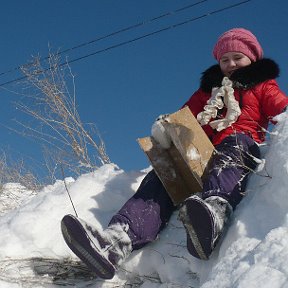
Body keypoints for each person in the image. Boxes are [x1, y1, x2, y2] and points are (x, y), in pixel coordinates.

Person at [61, 28, 288, 279]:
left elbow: (282, 109)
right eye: (225, 60)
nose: (231, 64)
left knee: (233, 148)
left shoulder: (262, 86)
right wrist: (168, 129)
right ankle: (116, 241)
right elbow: (184, 118)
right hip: (201, 152)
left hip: (240, 143)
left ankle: (213, 214)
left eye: (238, 57)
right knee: (164, 174)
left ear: (252, 59)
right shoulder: (207, 92)